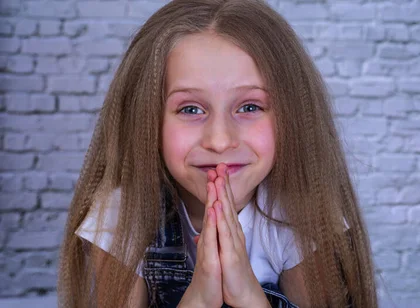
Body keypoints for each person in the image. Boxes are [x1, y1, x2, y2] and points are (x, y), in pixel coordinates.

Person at [58, 0, 378, 307]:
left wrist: (250, 297)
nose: (221, 140)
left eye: (250, 106)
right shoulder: (119, 215)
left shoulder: (301, 214)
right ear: (147, 120)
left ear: (291, 117)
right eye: (191, 108)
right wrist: (198, 299)